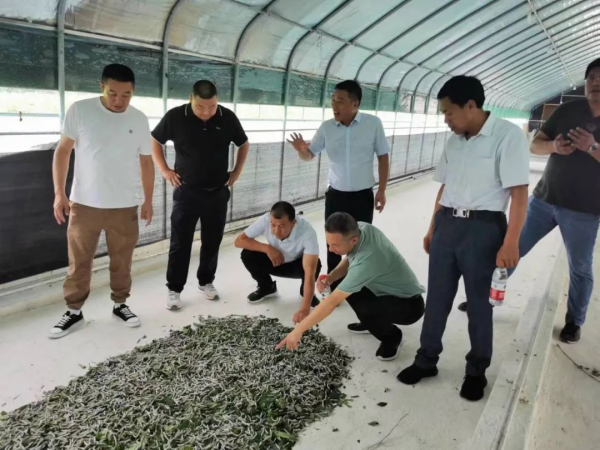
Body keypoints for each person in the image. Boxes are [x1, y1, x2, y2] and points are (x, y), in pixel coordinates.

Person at [397, 76, 530, 402]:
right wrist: (432, 227)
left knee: (479, 306)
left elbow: (519, 194)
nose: (446, 119)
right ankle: (426, 359)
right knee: (438, 298)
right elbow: (445, 186)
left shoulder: (507, 136)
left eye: (449, 112)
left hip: (484, 229)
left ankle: (476, 370)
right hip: (447, 225)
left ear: (471, 106)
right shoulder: (454, 141)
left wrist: (511, 242)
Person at [50, 63, 155, 339]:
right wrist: (60, 193)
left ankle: (120, 304)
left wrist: (148, 200)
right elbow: (63, 151)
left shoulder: (138, 119)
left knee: (122, 259)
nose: (119, 100)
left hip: (124, 204)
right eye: (113, 93)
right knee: (79, 260)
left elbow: (146, 162)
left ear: (133, 92)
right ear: (102, 87)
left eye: (126, 95)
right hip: (84, 204)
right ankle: (74, 311)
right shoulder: (80, 110)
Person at [151, 80, 249, 310]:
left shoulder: (227, 117)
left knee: (212, 241)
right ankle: (174, 288)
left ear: (217, 101)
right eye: (200, 107)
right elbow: (155, 141)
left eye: (212, 106)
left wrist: (236, 171)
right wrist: (165, 170)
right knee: (180, 242)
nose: (206, 112)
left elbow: (243, 144)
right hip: (186, 192)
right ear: (190, 99)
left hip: (217, 192)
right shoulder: (176, 116)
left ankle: (206, 281)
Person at [276, 213, 426, 363]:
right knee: (342, 283)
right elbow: (352, 258)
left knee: (365, 308)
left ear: (353, 240)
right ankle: (372, 324)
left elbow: (332, 302)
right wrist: (331, 277)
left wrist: (298, 331)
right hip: (386, 290)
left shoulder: (367, 260)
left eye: (335, 245)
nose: (330, 249)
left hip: (408, 306)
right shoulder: (362, 228)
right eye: (328, 243)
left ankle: (391, 336)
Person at [287, 80, 390, 292]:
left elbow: (383, 156)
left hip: (362, 196)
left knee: (361, 242)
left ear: (355, 104)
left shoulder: (373, 124)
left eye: (340, 101)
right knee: (333, 243)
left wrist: (382, 190)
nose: (334, 105)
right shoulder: (327, 128)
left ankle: (359, 284)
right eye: (333, 100)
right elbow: (309, 155)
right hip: (336, 196)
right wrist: (301, 150)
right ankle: (333, 285)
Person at [234, 201, 322, 324]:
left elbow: (309, 272)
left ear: (293, 223)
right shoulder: (265, 219)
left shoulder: (307, 232)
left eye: (281, 226)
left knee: (315, 264)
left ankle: (306, 293)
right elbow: (239, 241)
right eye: (273, 225)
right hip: (274, 261)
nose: (276, 231)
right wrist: (267, 248)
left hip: (296, 266)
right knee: (247, 254)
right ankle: (267, 287)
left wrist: (305, 308)